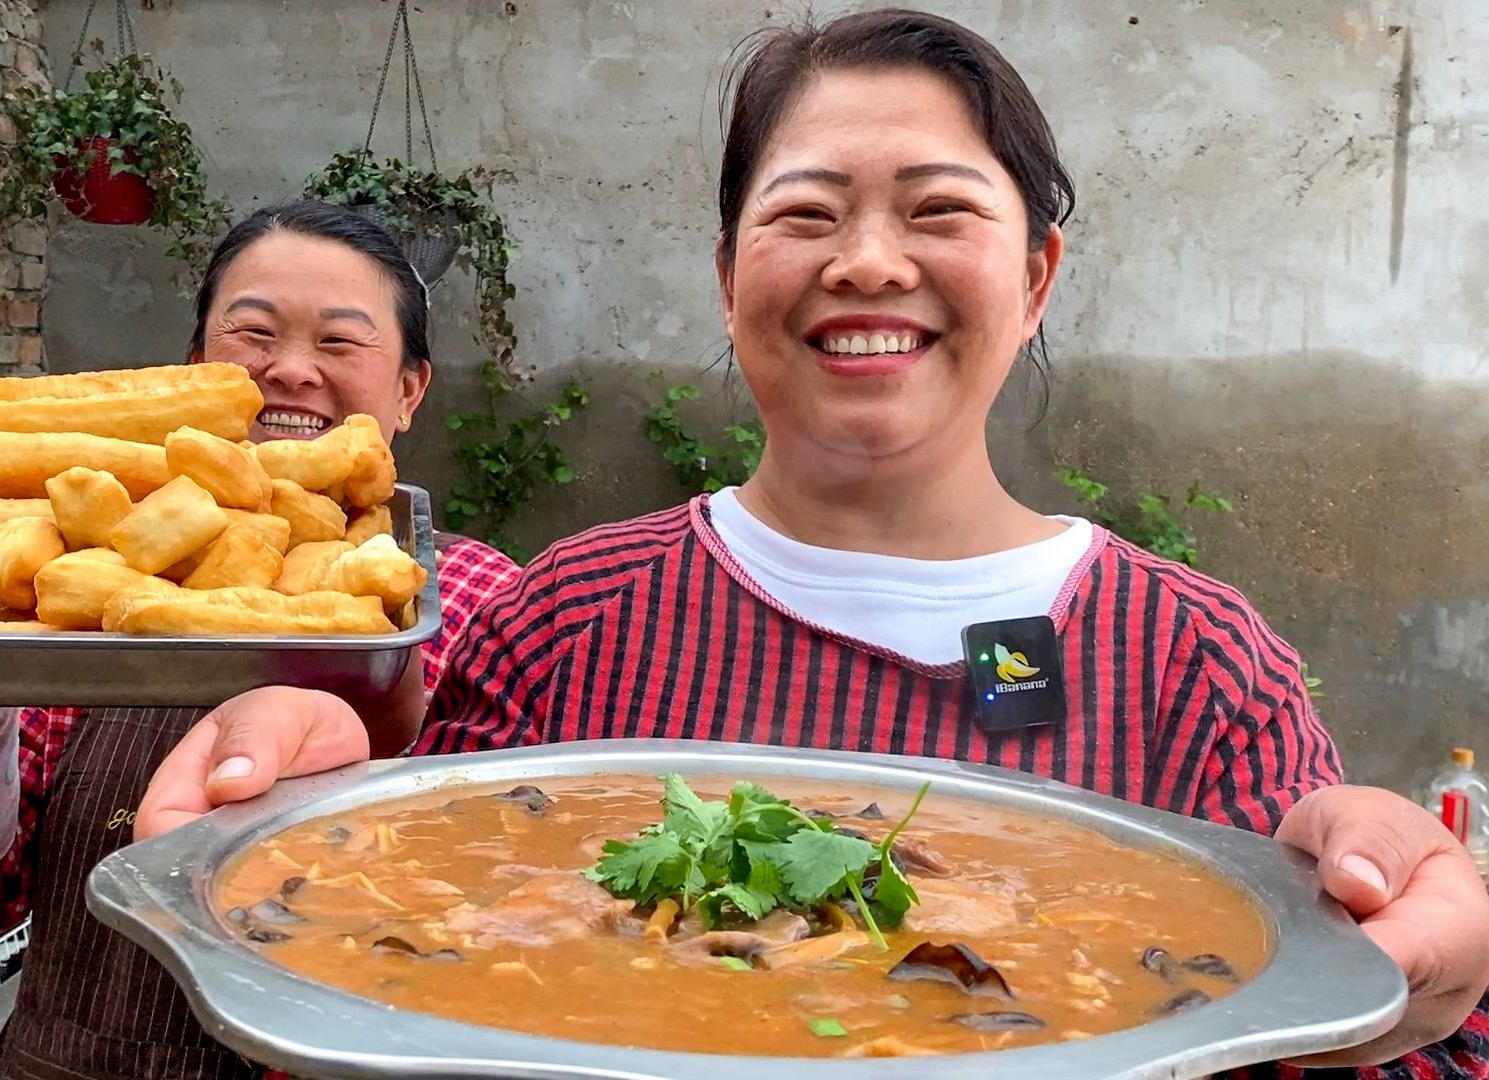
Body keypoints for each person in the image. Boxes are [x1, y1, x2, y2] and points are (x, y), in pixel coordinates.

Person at [140, 11, 1489, 1077]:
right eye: (805, 212)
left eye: (940, 210)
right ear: (731, 278)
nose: (866, 262)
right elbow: (379, 1002)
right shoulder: (569, 617)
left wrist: (1427, 983)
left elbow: (1339, 1031)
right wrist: (289, 845)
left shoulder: (1197, 663)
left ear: (1036, 278)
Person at [0, 201, 522, 1080]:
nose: (290, 370)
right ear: (196, 364)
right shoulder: (64, 589)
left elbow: (517, 910)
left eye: (340, 343)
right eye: (253, 333)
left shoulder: (479, 604)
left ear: (408, 390)